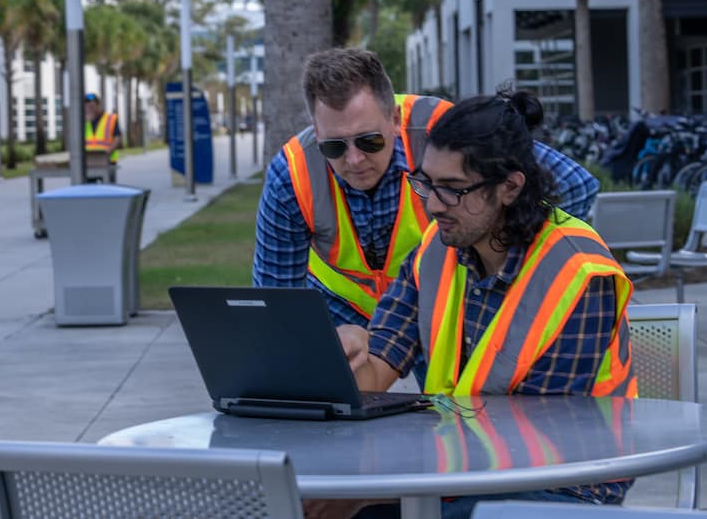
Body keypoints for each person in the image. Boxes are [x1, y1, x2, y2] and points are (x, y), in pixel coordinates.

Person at [329, 91, 634, 518]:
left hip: (565, 485)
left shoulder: (579, 273)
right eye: (427, 184)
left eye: (453, 189)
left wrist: (371, 493)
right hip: (466, 470)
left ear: (510, 187)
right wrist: (343, 357)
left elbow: (534, 438)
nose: (433, 205)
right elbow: (379, 364)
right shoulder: (436, 250)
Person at [253, 48, 600, 334]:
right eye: (334, 147)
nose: (355, 159)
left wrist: (506, 276)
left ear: (394, 118)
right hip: (339, 311)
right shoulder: (292, 174)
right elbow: (275, 303)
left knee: (457, 409)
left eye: (369, 141)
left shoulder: (445, 131)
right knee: (323, 409)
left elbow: (575, 185)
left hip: (436, 301)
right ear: (316, 130)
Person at [84, 93, 121, 163]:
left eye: (91, 107)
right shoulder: (84, 121)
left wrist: (108, 152)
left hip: (108, 160)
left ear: (98, 105)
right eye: (87, 107)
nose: (88, 109)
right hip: (88, 160)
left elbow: (117, 138)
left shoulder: (110, 119)